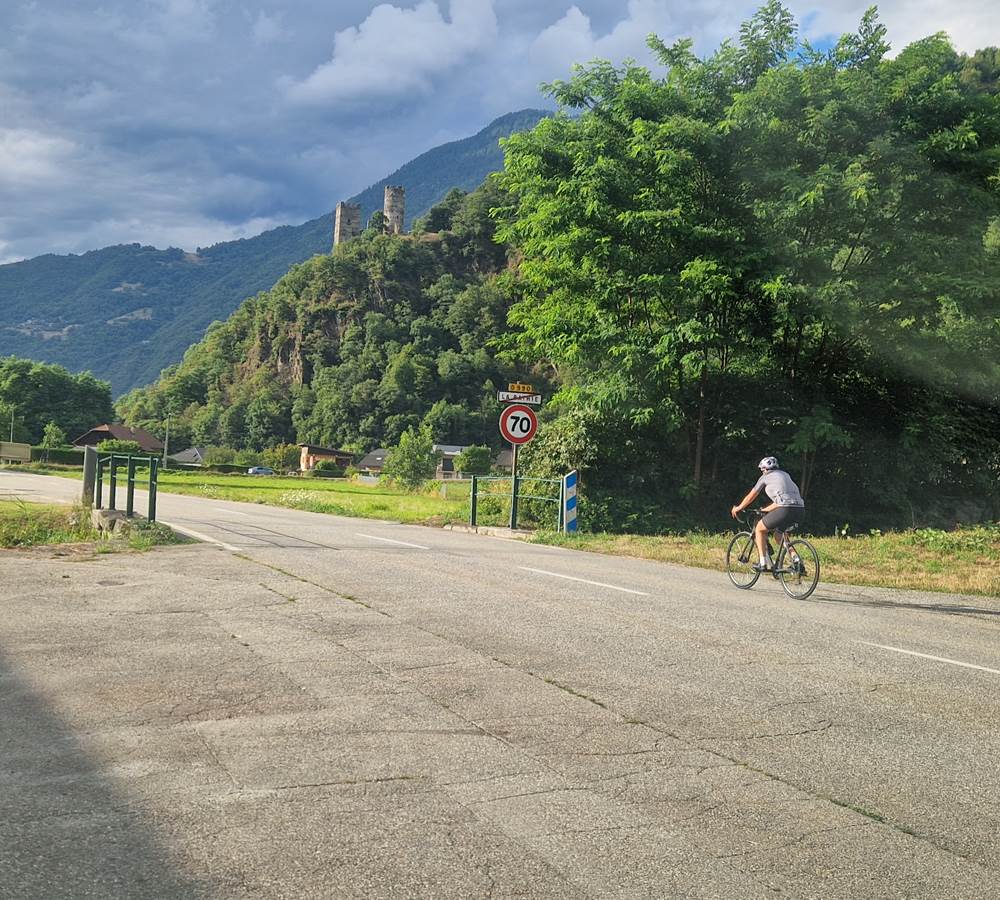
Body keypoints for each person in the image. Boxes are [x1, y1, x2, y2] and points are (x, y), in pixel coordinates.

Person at [730, 456, 805, 572]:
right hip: (799, 509)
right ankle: (797, 561)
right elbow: (782, 501)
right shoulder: (785, 475)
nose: (762, 472)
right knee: (779, 535)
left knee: (759, 529)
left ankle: (762, 563)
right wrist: (764, 510)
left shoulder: (765, 477)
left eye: (762, 470)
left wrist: (739, 508)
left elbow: (751, 496)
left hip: (785, 509)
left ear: (765, 469)